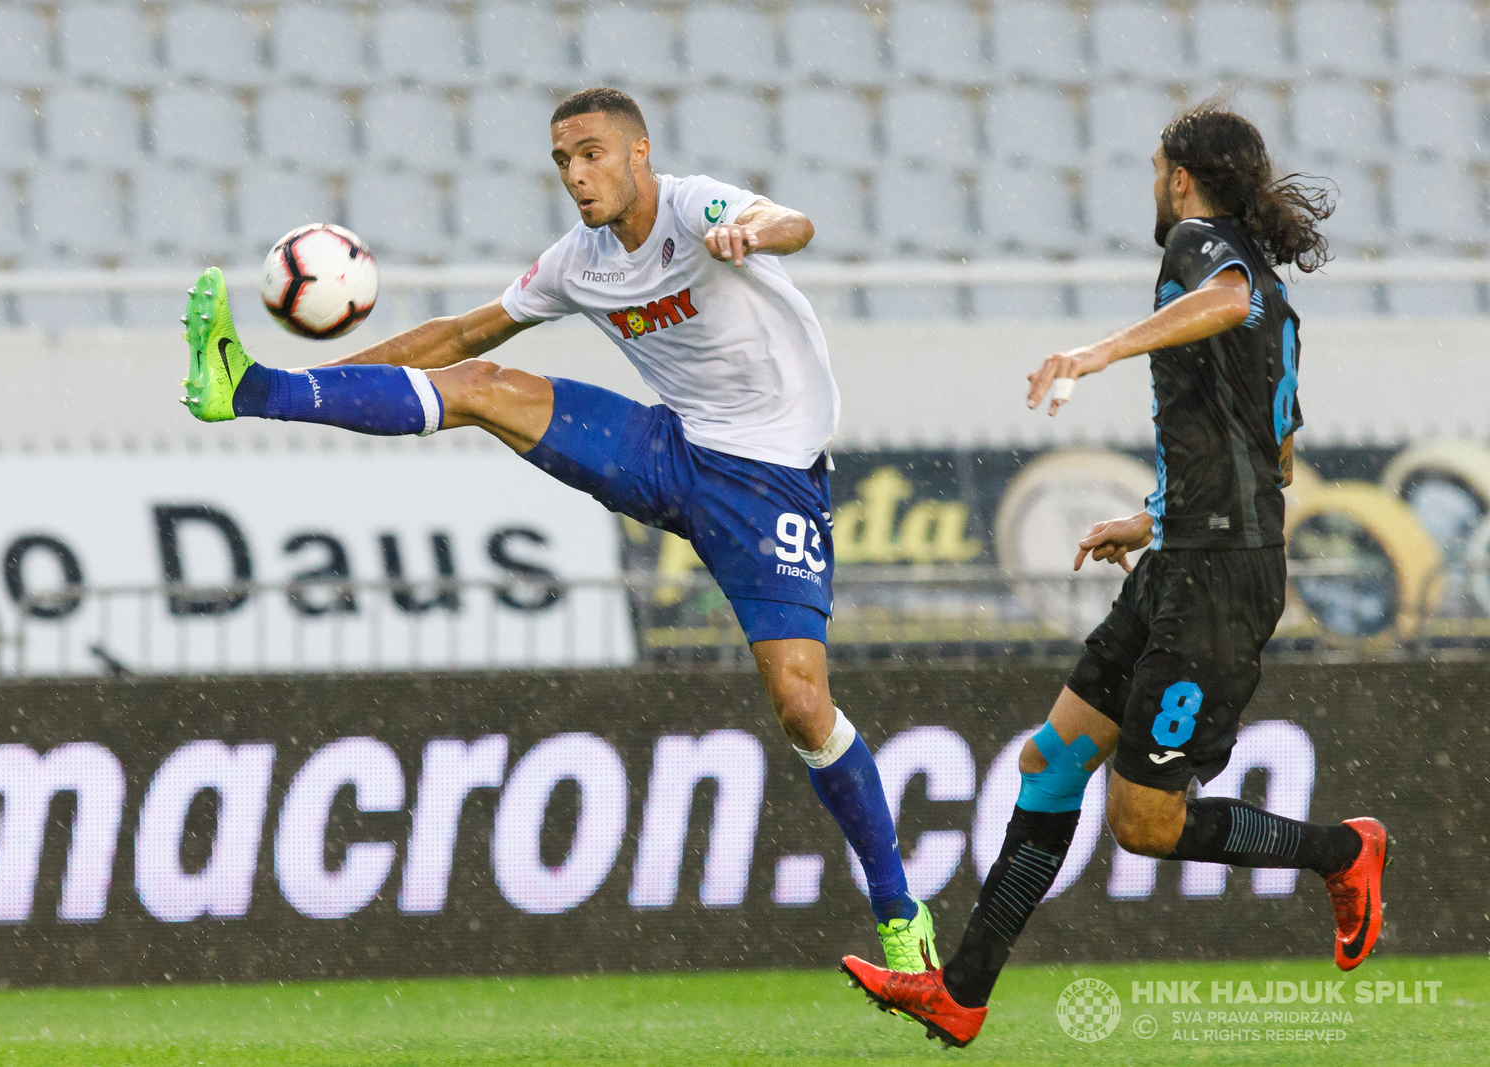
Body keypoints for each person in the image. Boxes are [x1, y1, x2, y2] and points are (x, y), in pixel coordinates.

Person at [178, 87, 938, 970]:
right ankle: (251, 388)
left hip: (769, 484)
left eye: (591, 154)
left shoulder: (696, 208)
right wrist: (309, 383)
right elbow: (458, 333)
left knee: (803, 706)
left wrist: (751, 233)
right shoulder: (579, 263)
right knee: (483, 384)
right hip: (669, 448)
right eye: (562, 162)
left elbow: (793, 221)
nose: (577, 176)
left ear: (639, 152)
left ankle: (898, 913)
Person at [842, 102, 1389, 1047]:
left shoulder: (1201, 247)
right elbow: (1280, 457)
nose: (1153, 185)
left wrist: (1097, 352)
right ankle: (962, 991)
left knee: (1144, 821)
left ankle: (1345, 850)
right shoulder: (1269, 288)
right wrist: (1155, 517)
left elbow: (1223, 299)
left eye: (1154, 168)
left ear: (1182, 177)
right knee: (1051, 761)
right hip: (1188, 557)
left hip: (1218, 581)